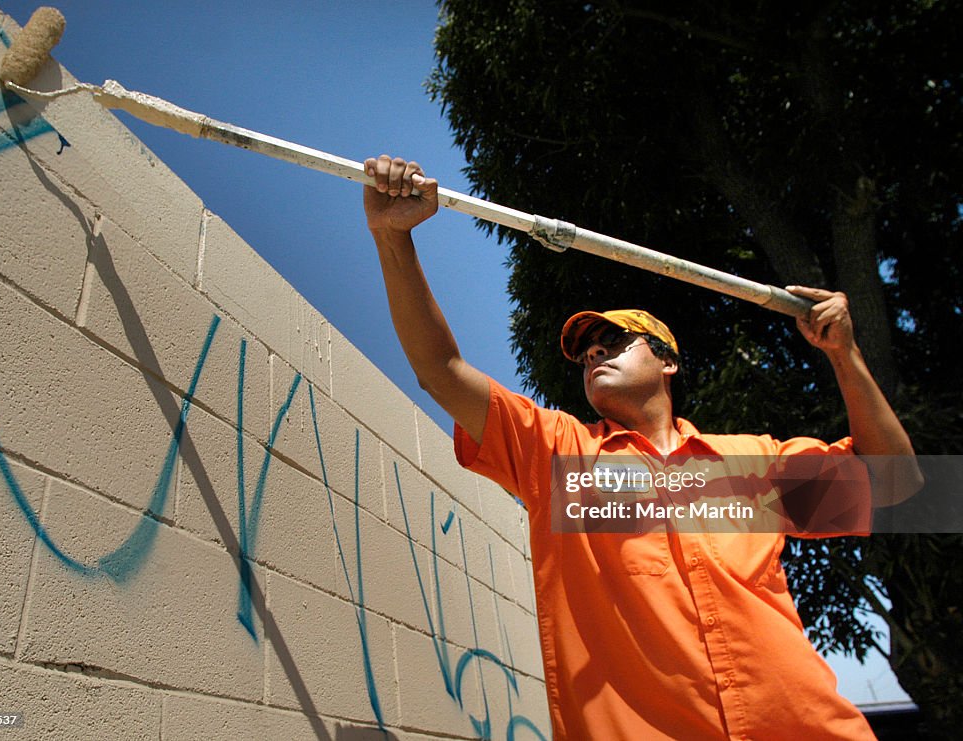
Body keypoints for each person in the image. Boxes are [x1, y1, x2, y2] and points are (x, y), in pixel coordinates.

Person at [361, 155, 922, 740]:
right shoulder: (558, 458)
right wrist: (393, 238)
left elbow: (896, 487)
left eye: (613, 341)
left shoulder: (754, 461)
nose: (594, 355)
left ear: (668, 361)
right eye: (586, 354)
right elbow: (441, 370)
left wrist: (845, 356)